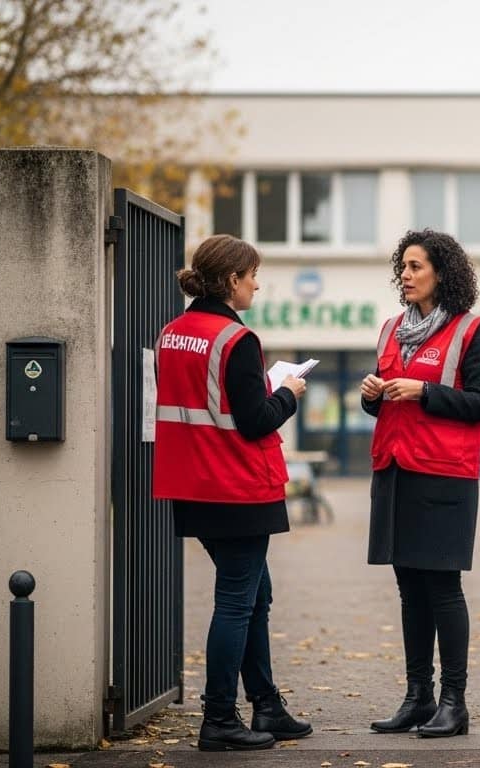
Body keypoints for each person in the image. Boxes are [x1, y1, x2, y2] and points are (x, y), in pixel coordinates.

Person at [152, 234, 312, 751]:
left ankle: (266, 705)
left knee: (253, 595)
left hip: (193, 486)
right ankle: (219, 717)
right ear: (230, 281)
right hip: (237, 488)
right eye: (252, 275)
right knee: (237, 602)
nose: (257, 284)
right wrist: (287, 393)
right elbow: (253, 420)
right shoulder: (236, 340)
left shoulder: (172, 334)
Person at [361, 229, 480, 739]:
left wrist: (426, 391)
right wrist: (371, 393)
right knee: (408, 588)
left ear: (442, 272)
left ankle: (453, 702)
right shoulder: (392, 329)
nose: (406, 275)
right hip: (395, 469)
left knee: (441, 587)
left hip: (444, 475)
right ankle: (417, 697)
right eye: (404, 267)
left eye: (416, 267)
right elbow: (382, 401)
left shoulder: (472, 331)